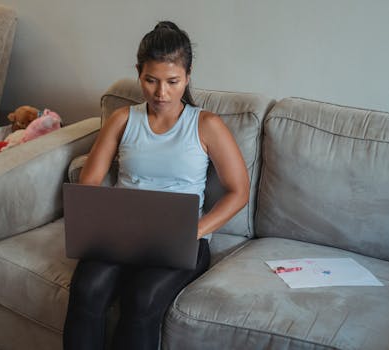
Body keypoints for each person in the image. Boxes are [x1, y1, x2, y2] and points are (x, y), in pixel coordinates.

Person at [63, 21, 249, 350]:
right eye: (151, 80)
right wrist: (95, 226)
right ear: (139, 74)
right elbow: (89, 182)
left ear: (187, 77)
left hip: (182, 241)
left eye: (172, 82)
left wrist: (195, 229)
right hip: (121, 235)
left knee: (142, 297)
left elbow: (239, 191)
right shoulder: (123, 119)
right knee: (86, 289)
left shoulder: (207, 125)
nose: (161, 93)